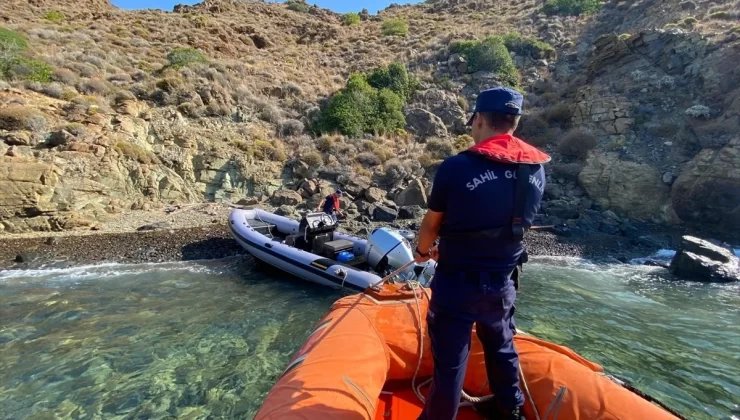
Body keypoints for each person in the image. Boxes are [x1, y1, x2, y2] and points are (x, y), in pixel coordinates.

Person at [414, 87, 550, 420]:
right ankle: (511, 410)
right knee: (501, 346)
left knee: (450, 363)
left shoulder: (456, 167)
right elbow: (515, 225)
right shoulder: (535, 170)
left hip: (456, 284)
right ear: (514, 123)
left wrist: (421, 251)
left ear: (477, 120)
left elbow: (432, 224)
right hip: (503, 282)